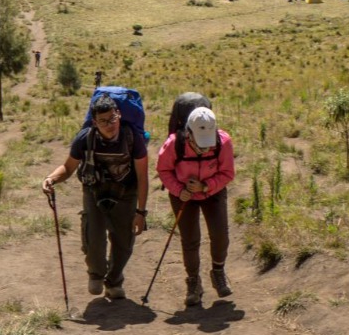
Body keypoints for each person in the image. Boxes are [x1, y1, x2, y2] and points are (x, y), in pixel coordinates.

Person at [42, 94, 148, 300]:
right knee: (93, 238)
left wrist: (141, 212)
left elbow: (143, 177)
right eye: (104, 121)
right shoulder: (85, 138)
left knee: (124, 242)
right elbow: (68, 167)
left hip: (126, 193)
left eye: (113, 118)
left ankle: (114, 281)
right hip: (94, 191)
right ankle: (96, 274)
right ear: (94, 122)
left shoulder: (132, 138)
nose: (110, 125)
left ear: (119, 114)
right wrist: (51, 178)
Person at [157, 106, 234, 306]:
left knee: (220, 235)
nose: (205, 148)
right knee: (190, 239)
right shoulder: (174, 144)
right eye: (201, 144)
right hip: (183, 194)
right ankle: (193, 281)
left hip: (213, 192)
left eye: (207, 144)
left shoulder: (223, 142)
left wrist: (206, 186)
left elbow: (228, 173)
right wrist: (177, 190)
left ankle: (218, 271)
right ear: (188, 133)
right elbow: (163, 170)